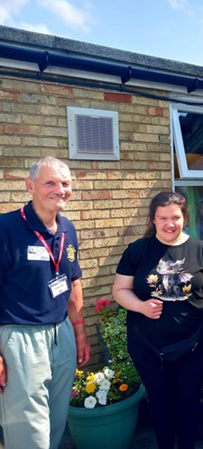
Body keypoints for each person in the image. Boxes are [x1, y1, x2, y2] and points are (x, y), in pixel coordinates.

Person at [112, 191, 203, 449]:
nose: (169, 224)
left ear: (184, 217)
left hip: (194, 343)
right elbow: (119, 291)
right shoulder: (137, 251)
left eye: (175, 217)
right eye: (162, 218)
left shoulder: (202, 250)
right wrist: (141, 306)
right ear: (153, 219)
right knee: (159, 401)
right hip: (148, 346)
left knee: (188, 401)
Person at [0, 156, 90, 449]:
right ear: (30, 186)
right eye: (50, 183)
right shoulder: (6, 228)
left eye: (65, 183)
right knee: (29, 433)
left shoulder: (68, 229)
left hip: (61, 333)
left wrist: (79, 333)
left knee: (55, 424)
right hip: (20, 337)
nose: (60, 190)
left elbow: (73, 282)